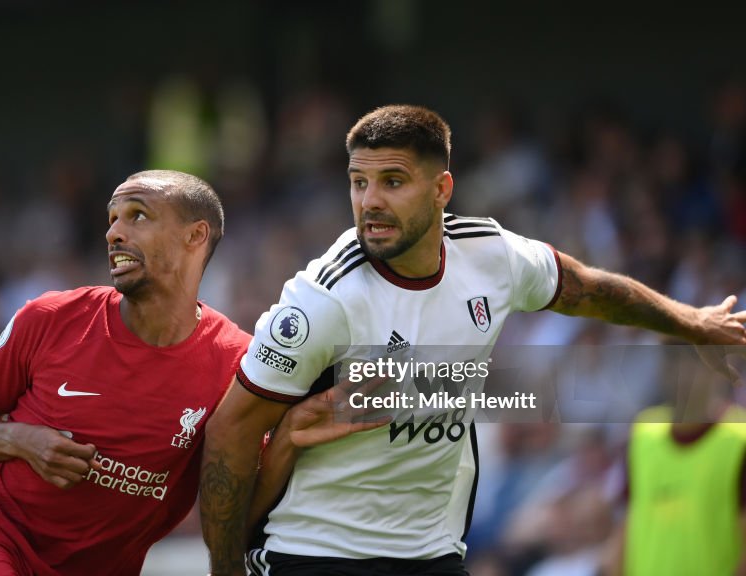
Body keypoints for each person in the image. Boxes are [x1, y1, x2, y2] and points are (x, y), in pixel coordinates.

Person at [200, 104, 746, 576]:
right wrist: (227, 569)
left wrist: (691, 322)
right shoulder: (323, 301)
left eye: (392, 181)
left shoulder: (493, 256)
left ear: (442, 190)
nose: (369, 201)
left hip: (432, 553)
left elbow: (592, 290)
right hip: (318, 552)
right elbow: (230, 431)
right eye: (358, 182)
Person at [0, 169, 369, 576]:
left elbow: (240, 495)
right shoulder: (50, 317)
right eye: (112, 219)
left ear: (195, 236)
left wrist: (290, 437)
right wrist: (23, 441)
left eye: (137, 216)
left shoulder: (237, 364)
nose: (114, 233)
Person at [604, 354, 746, 576]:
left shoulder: (740, 440)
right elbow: (627, 526)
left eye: (695, 360)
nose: (683, 370)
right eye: (673, 357)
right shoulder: (642, 432)